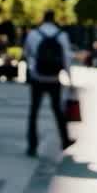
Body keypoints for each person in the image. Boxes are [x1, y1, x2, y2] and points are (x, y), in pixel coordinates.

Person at [23, 10, 75, 157]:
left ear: (42, 18)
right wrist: (70, 78)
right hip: (54, 78)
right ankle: (65, 140)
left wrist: (33, 68)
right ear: (54, 19)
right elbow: (66, 58)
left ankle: (32, 145)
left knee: (34, 111)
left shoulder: (33, 34)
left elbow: (27, 54)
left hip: (37, 77)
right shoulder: (62, 35)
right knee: (58, 110)